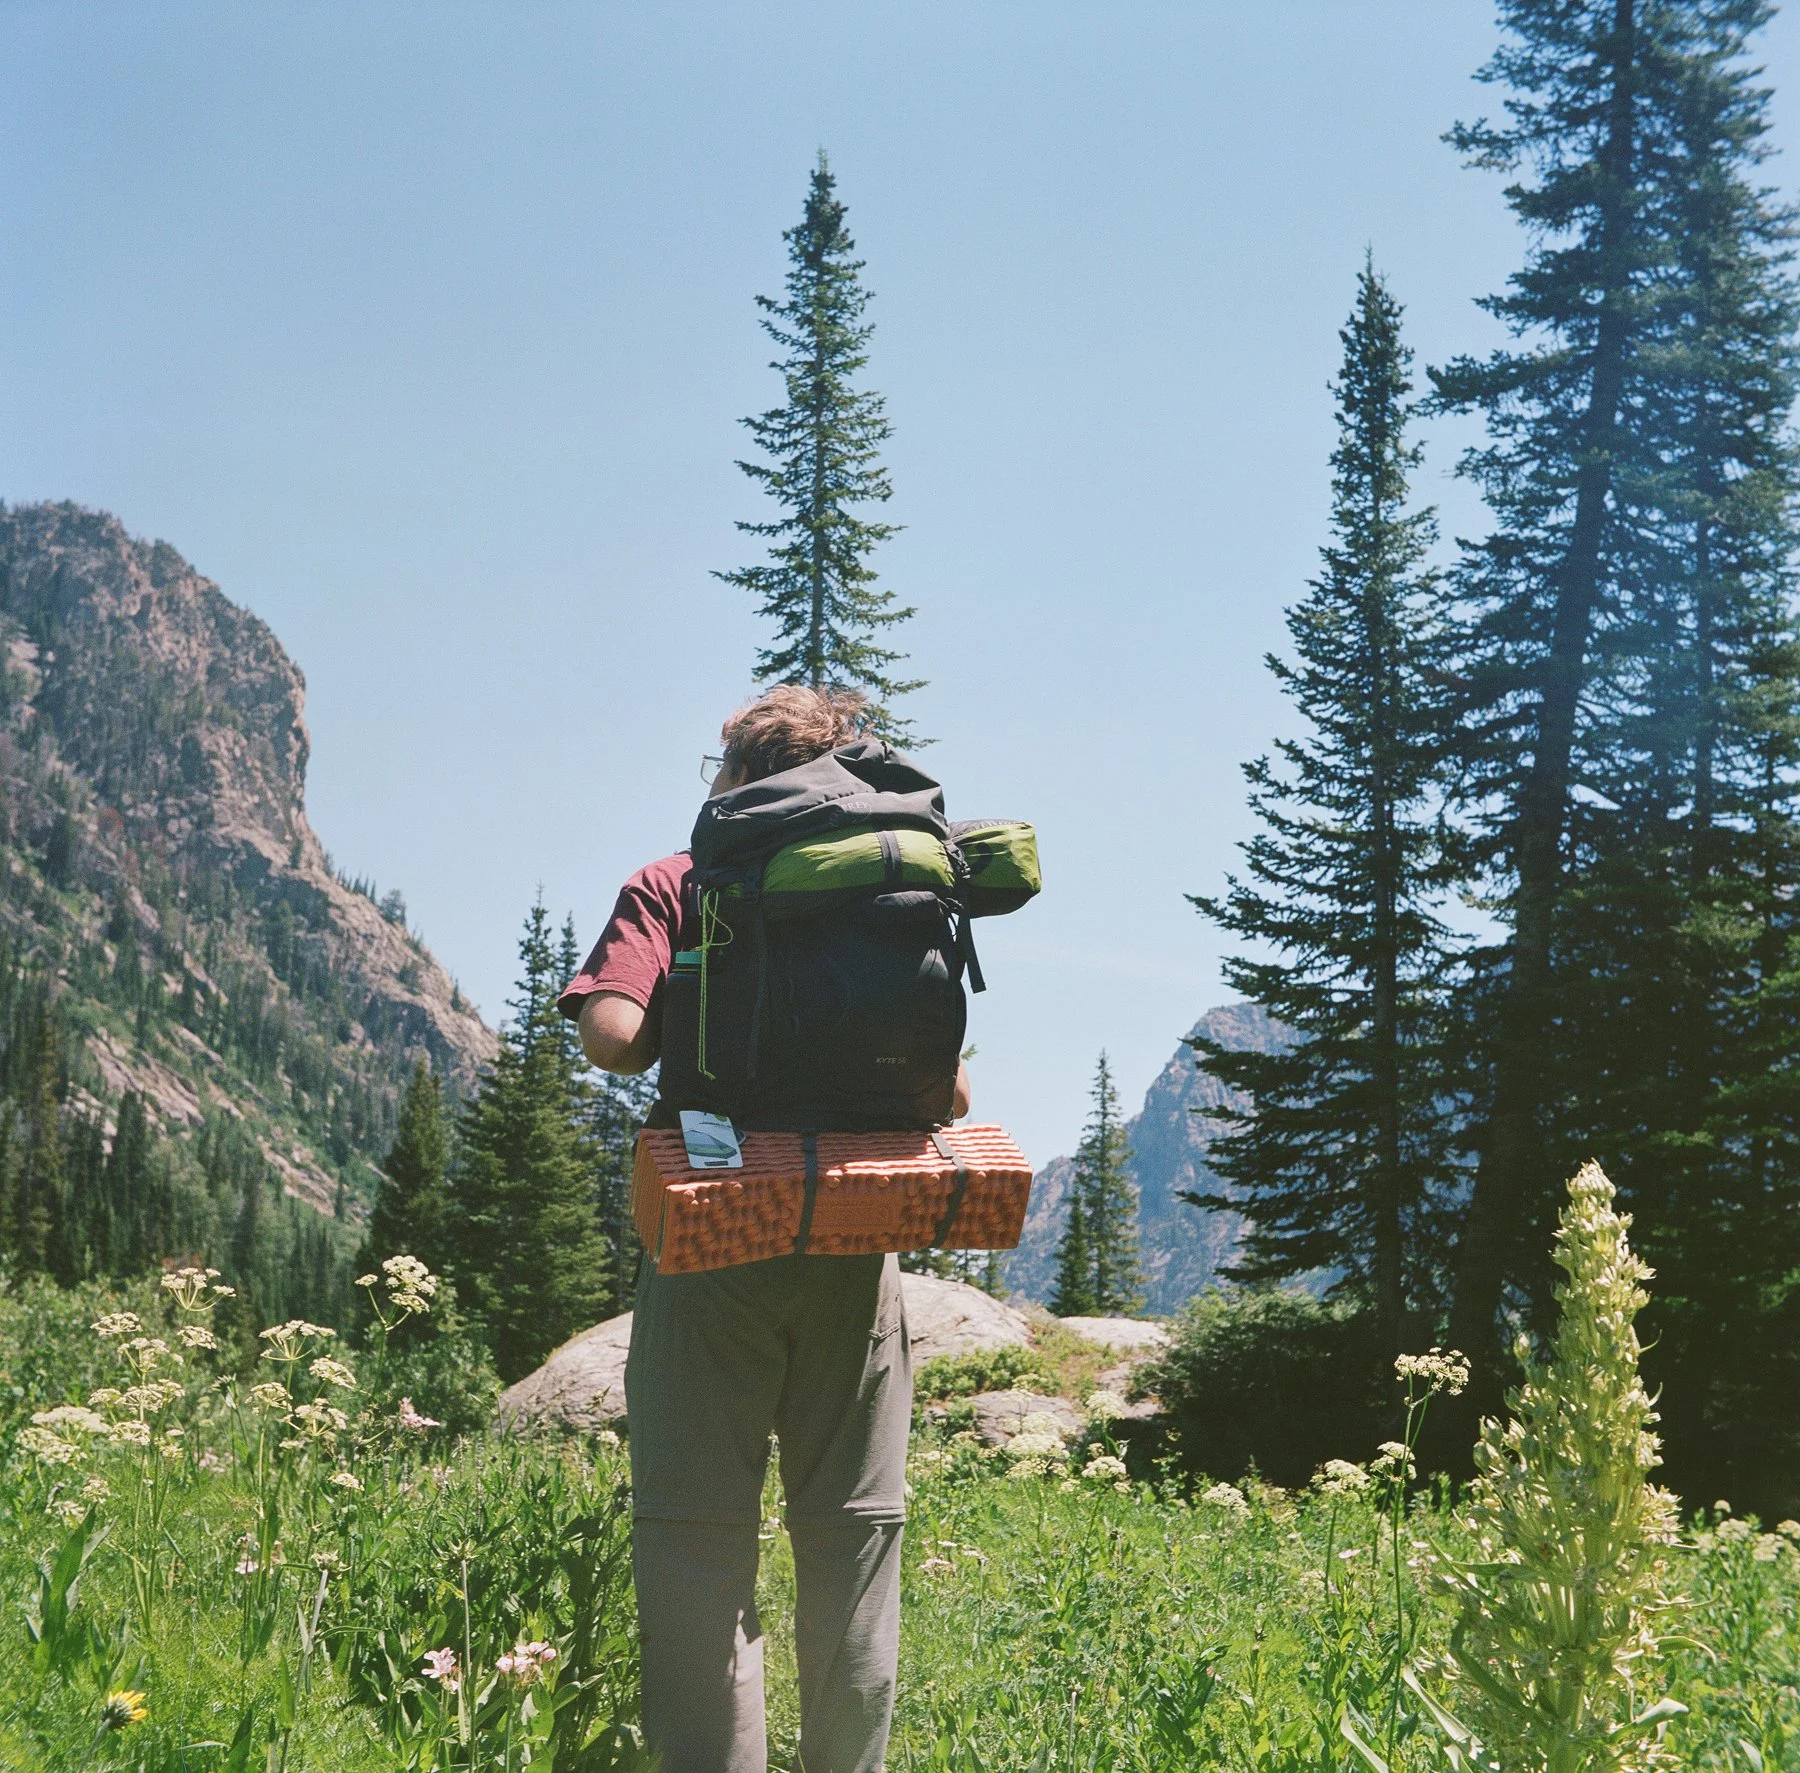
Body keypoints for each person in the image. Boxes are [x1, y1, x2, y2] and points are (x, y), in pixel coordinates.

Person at [558, 684, 970, 1773]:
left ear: (730, 773)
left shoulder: (680, 881)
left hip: (713, 1234)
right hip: (852, 1238)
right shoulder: (889, 885)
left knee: (698, 1549)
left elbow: (613, 1040)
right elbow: (955, 1093)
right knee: (855, 1540)